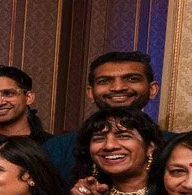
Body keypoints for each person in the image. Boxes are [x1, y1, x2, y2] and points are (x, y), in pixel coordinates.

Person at [46, 52, 160, 183]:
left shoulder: (175, 145)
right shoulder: (57, 149)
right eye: (104, 81)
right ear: (90, 93)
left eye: (132, 79)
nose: (118, 88)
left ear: (152, 89)